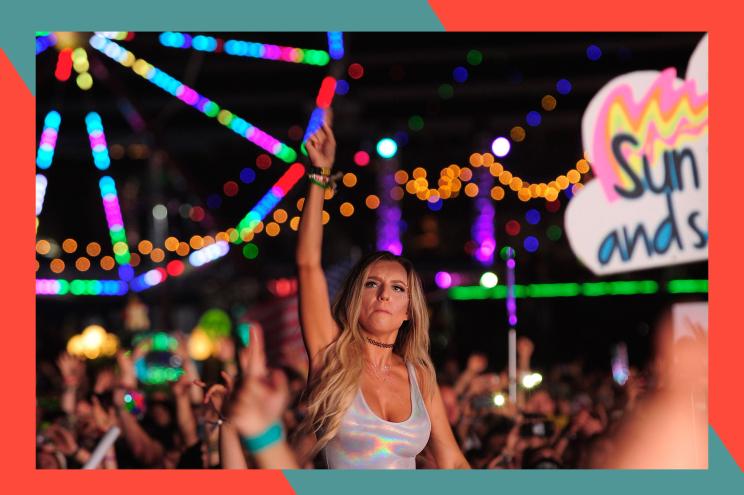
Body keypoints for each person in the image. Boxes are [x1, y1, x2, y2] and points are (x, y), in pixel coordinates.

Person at [294, 119, 469, 469]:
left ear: (409, 311)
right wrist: (319, 175)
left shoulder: (420, 376)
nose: (384, 295)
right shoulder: (331, 355)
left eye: (398, 288)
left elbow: (452, 462)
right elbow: (308, 264)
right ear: (355, 300)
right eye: (372, 284)